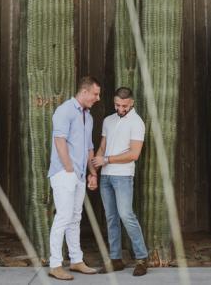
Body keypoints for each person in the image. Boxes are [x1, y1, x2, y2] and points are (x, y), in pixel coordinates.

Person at [91, 87, 149, 276]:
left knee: (126, 215)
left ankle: (142, 258)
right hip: (106, 176)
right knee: (111, 218)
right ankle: (115, 259)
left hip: (123, 176)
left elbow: (134, 154)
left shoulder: (137, 123)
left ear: (131, 103)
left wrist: (107, 160)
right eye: (117, 105)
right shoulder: (108, 120)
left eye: (124, 105)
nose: (120, 108)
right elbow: (102, 147)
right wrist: (94, 172)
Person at [47, 76, 101, 280]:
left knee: (75, 218)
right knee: (63, 216)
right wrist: (69, 169)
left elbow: (89, 148)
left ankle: (76, 260)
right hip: (64, 173)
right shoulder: (65, 110)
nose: (97, 98)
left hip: (79, 175)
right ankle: (55, 264)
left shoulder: (89, 116)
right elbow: (59, 141)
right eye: (95, 94)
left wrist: (92, 173)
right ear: (84, 92)